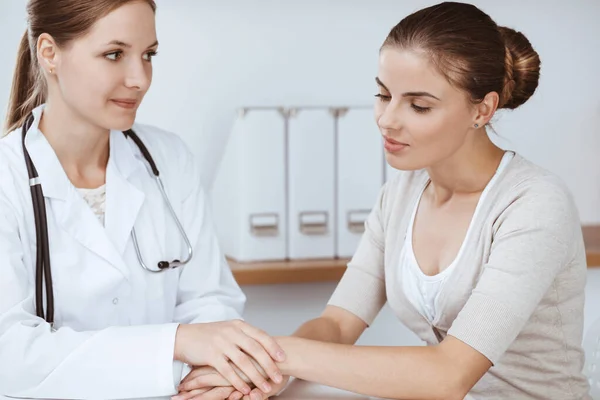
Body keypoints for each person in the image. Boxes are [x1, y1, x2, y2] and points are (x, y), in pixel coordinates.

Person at [176, 2, 592, 399]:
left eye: (418, 105)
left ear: (482, 110)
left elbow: (448, 376)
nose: (387, 119)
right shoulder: (402, 193)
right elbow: (337, 324)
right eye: (383, 95)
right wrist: (262, 375)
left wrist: (277, 355)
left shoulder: (534, 205)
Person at [0, 1, 285, 400]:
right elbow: (11, 356)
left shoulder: (169, 161)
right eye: (114, 54)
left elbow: (212, 304)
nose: (139, 79)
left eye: (148, 55)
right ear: (50, 53)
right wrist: (177, 344)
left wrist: (214, 373)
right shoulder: (7, 180)